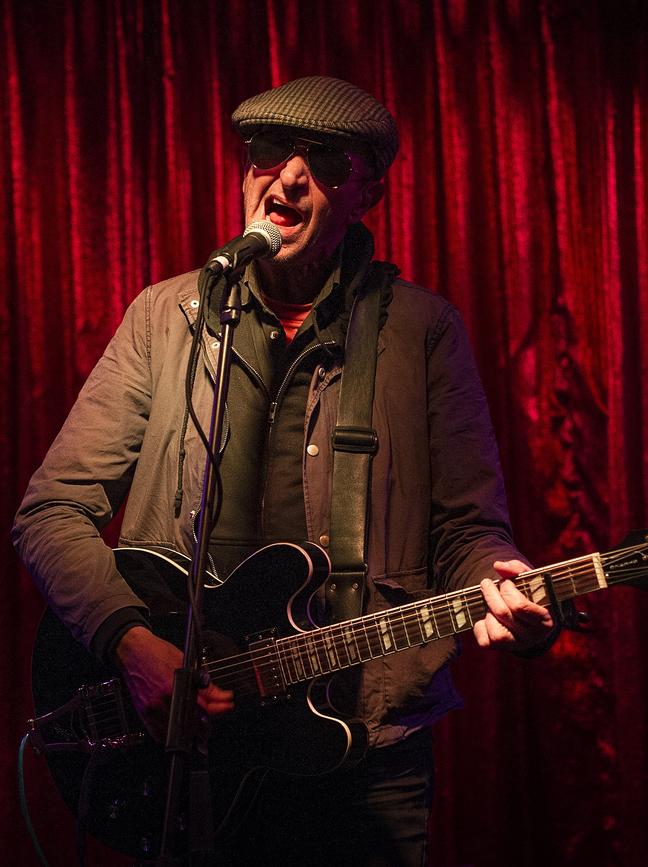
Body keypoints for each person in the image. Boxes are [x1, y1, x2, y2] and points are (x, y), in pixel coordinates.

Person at [13, 76, 555, 866]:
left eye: (327, 161)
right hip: (190, 748)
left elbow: (471, 530)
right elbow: (50, 509)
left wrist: (502, 585)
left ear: (367, 190)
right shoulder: (167, 318)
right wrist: (128, 639)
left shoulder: (422, 331)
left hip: (366, 751)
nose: (289, 176)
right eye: (269, 150)